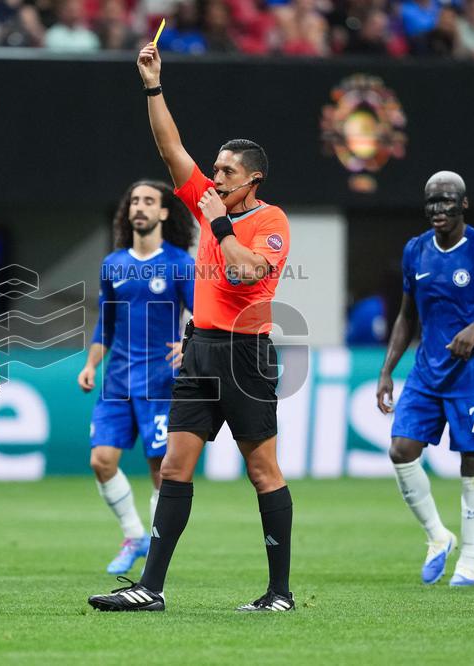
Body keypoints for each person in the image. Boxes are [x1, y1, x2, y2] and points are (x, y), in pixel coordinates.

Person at [88, 41, 294, 612]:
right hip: (200, 349)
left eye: (228, 170)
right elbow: (170, 145)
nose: (216, 174)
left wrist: (219, 220)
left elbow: (242, 268)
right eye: (216, 167)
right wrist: (153, 84)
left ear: (252, 179)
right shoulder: (210, 199)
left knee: (262, 470)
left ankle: (279, 592)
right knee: (175, 466)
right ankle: (150, 589)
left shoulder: (269, 220)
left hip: (246, 356)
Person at [376, 171, 474, 588]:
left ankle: (469, 563)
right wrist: (388, 370)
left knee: (472, 461)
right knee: (400, 450)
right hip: (426, 373)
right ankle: (438, 536)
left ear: (463, 204)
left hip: (473, 375)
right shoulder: (415, 251)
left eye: (445, 201)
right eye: (430, 202)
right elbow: (407, 315)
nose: (437, 209)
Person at [78, 180, 195, 576]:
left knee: (162, 472)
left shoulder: (180, 262)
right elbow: (104, 328)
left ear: (163, 213)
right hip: (116, 383)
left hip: (161, 384)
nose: (140, 208)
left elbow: (199, 316)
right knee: (101, 461)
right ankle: (134, 536)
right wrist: (92, 363)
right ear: (128, 212)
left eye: (149, 201)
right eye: (135, 202)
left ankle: (157, 558)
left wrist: (189, 344)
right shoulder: (113, 265)